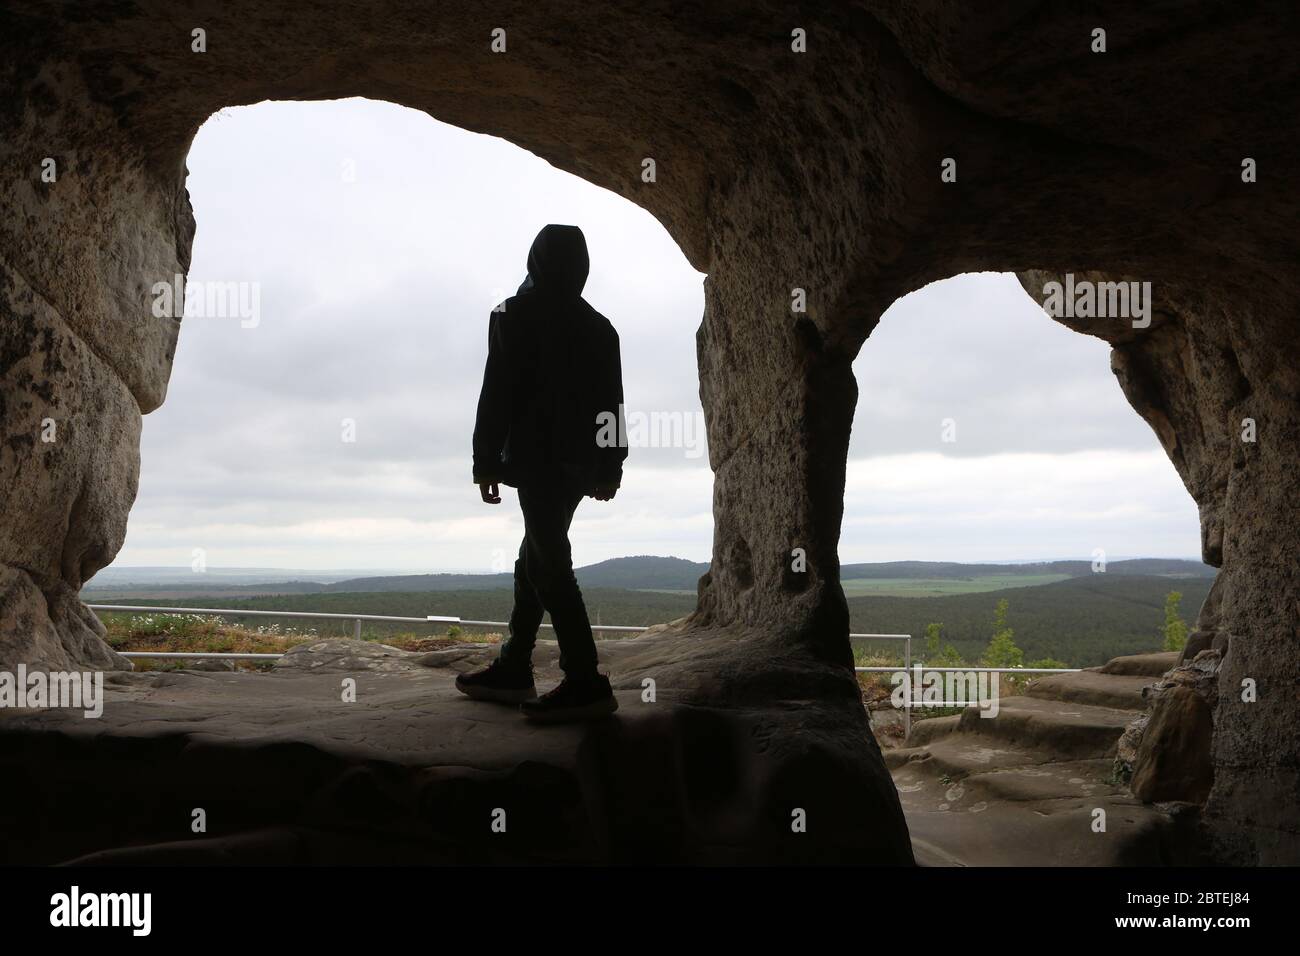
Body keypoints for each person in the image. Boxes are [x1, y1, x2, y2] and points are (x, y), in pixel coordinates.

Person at [455, 224, 627, 723]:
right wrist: (610, 466)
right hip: (577, 465)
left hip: (535, 459)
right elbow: (610, 405)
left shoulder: (513, 313)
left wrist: (485, 460)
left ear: (535, 259)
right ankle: (513, 667)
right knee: (536, 556)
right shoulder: (600, 327)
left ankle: (585, 681)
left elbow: (498, 390)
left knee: (549, 565)